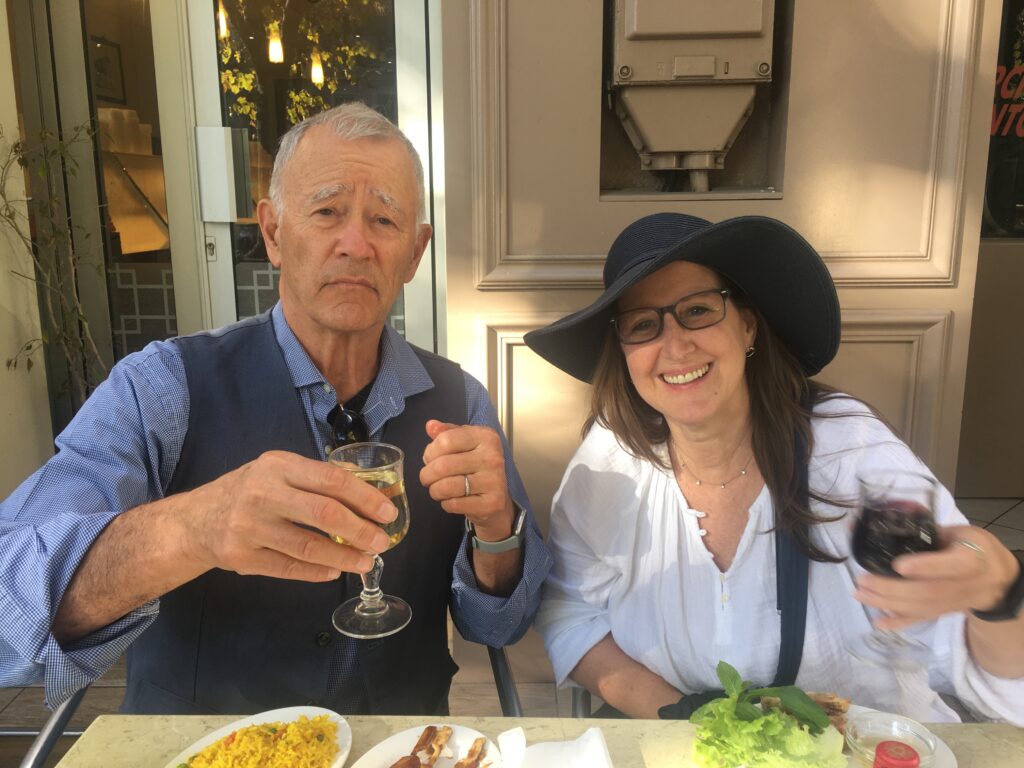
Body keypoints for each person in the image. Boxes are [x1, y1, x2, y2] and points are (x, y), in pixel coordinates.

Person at [0, 102, 551, 715]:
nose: (355, 244)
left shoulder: (460, 402)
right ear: (273, 234)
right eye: (326, 211)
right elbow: (7, 607)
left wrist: (498, 531)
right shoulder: (162, 388)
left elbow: (500, 626)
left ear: (415, 254)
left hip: (397, 749)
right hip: (211, 752)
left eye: (385, 221)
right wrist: (192, 528)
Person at [524, 212, 1024, 724]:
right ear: (624, 354)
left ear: (747, 324)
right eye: (642, 325)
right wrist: (683, 719)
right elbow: (571, 613)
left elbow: (992, 671)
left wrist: (1000, 597)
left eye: (698, 310)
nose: (674, 346)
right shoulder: (609, 463)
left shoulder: (851, 453)